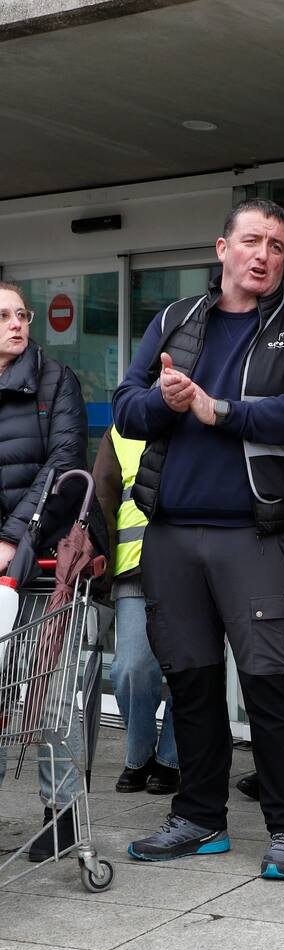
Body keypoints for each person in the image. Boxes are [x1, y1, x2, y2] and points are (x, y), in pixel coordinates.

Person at [113, 199, 284, 881]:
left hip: (259, 535)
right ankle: (198, 818)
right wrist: (167, 403)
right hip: (174, 534)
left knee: (270, 685)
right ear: (222, 247)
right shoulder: (175, 320)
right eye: (252, 240)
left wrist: (220, 410)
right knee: (191, 682)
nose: (264, 255)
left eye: (277, 245)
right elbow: (127, 406)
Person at [0, 280, 88, 861]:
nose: (16, 324)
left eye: (22, 314)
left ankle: (63, 814)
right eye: (4, 316)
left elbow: (63, 464)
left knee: (50, 693)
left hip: (45, 563)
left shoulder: (55, 382)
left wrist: (12, 539)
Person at [92, 426, 179, 795]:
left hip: (191, 566)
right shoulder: (122, 430)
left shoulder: (206, 412)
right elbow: (101, 500)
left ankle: (171, 759)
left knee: (191, 671)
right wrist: (103, 567)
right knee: (129, 669)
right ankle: (139, 755)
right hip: (135, 567)